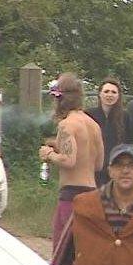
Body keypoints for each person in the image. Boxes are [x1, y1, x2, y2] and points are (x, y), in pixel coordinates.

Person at [39, 73, 104, 253]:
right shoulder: (94, 125)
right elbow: (99, 164)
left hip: (72, 197)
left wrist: (49, 154)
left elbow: (69, 160)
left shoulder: (67, 125)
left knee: (65, 254)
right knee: (86, 253)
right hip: (92, 194)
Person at [86, 77, 133, 186]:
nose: (109, 95)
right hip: (94, 169)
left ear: (118, 96)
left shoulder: (125, 117)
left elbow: (131, 143)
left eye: (113, 92)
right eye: (106, 91)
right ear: (99, 94)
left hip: (117, 168)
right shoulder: (89, 115)